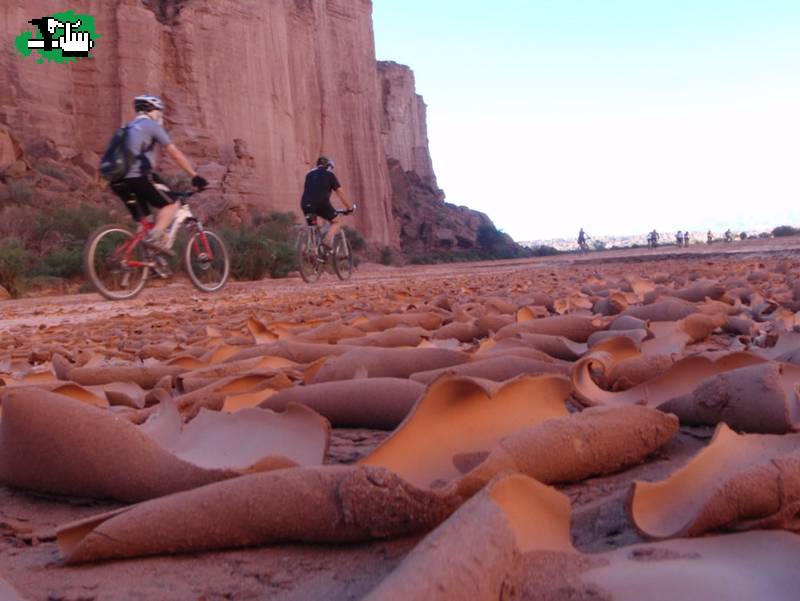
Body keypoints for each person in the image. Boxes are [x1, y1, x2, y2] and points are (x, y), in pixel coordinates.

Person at [110, 95, 207, 254]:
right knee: (172, 204)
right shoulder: (150, 126)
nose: (160, 115)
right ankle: (155, 240)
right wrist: (194, 175)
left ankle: (140, 261)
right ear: (152, 111)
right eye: (159, 111)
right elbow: (174, 153)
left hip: (118, 181)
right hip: (138, 177)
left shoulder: (126, 128)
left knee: (145, 223)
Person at [300, 156, 355, 253]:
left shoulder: (309, 175)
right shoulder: (329, 175)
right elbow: (340, 193)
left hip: (306, 204)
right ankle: (328, 240)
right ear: (328, 166)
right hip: (321, 203)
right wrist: (349, 207)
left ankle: (313, 252)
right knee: (336, 221)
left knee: (313, 227)